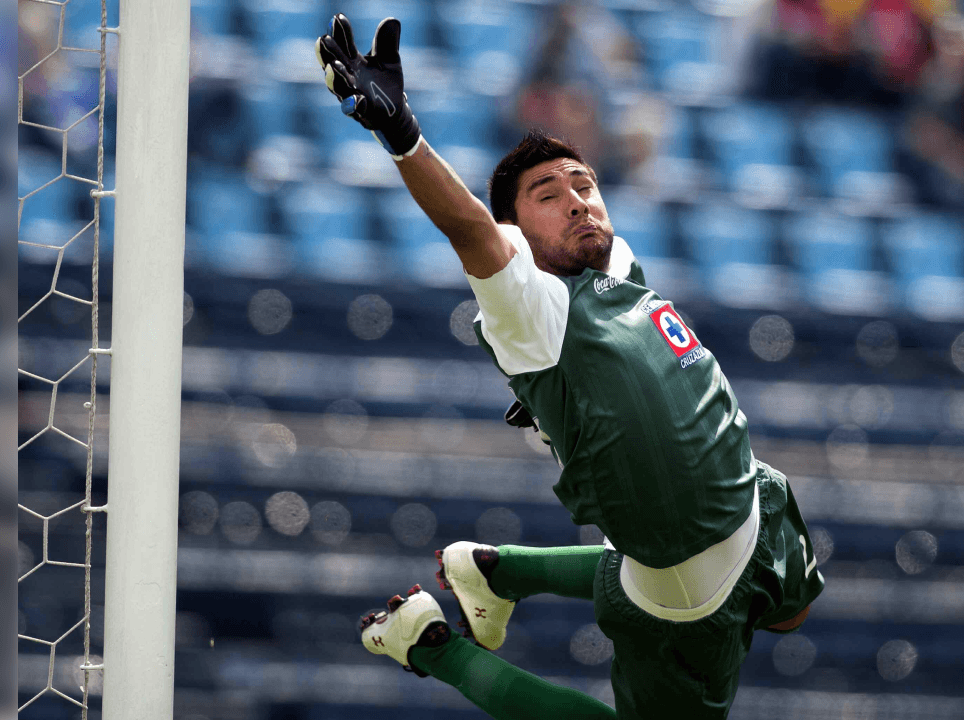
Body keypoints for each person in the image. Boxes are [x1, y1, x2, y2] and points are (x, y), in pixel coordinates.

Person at [313, 14, 824, 720]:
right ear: (518, 233)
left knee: (792, 617)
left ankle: (498, 571)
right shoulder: (532, 306)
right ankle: (429, 642)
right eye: (548, 197)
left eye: (583, 185)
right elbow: (469, 229)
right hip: (685, 587)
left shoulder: (615, 262)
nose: (577, 200)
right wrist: (401, 134)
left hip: (760, 502)